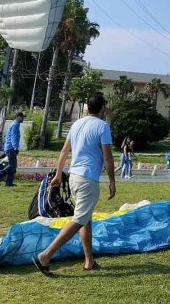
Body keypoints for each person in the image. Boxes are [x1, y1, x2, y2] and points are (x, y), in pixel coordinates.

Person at [34, 93, 115, 275]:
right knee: (79, 220)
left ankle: (89, 261)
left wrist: (58, 175)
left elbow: (64, 150)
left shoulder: (76, 124)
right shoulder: (103, 126)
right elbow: (108, 157)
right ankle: (46, 256)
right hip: (87, 179)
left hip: (73, 177)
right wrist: (112, 180)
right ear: (102, 108)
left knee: (85, 220)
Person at [0, 112, 24, 187]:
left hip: (9, 147)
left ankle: (9, 183)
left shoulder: (14, 124)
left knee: (13, 167)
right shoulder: (15, 125)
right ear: (18, 117)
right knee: (12, 165)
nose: (23, 118)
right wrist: (15, 148)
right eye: (22, 117)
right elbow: (14, 137)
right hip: (11, 148)